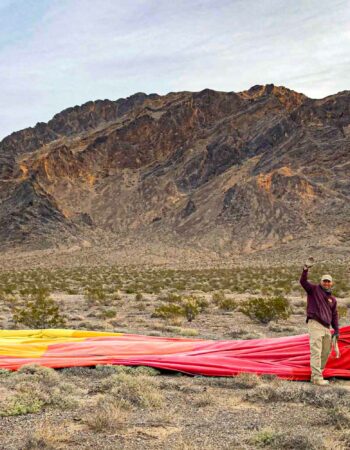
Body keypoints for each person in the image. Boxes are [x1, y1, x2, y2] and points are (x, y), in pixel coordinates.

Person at [300, 257, 339, 386]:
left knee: (326, 352)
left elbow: (334, 315)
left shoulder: (333, 299)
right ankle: (317, 378)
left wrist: (337, 331)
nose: (326, 283)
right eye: (324, 281)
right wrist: (305, 269)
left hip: (327, 327)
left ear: (331, 283)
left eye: (329, 282)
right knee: (316, 351)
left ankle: (317, 375)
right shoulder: (314, 290)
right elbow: (303, 282)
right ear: (321, 282)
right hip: (315, 323)